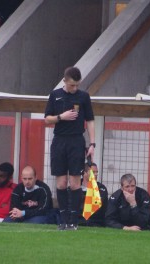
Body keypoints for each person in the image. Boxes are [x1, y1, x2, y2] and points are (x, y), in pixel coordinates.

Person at [44, 66, 95, 231]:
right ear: (65, 81)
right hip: (59, 141)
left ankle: (74, 221)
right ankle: (63, 220)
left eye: (77, 85)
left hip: (76, 142)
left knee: (74, 183)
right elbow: (47, 119)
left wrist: (92, 144)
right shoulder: (55, 95)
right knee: (61, 183)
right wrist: (61, 117)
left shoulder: (84, 97)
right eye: (72, 85)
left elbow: (90, 121)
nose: (75, 88)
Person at [78, 162, 108, 227]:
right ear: (84, 173)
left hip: (96, 222)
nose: (96, 174)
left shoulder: (101, 188)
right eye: (93, 172)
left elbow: (98, 205)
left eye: (96, 172)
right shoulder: (75, 187)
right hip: (78, 221)